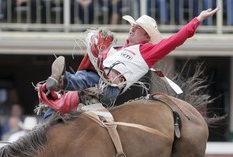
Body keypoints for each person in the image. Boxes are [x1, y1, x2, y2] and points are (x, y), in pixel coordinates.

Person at [39, 7, 220, 119]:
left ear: (147, 37)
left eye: (137, 28)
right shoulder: (113, 49)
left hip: (109, 88)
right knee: (59, 105)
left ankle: (61, 81)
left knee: (88, 76)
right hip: (95, 81)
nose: (132, 29)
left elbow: (175, 40)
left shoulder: (147, 51)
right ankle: (43, 128)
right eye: (132, 26)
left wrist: (198, 20)